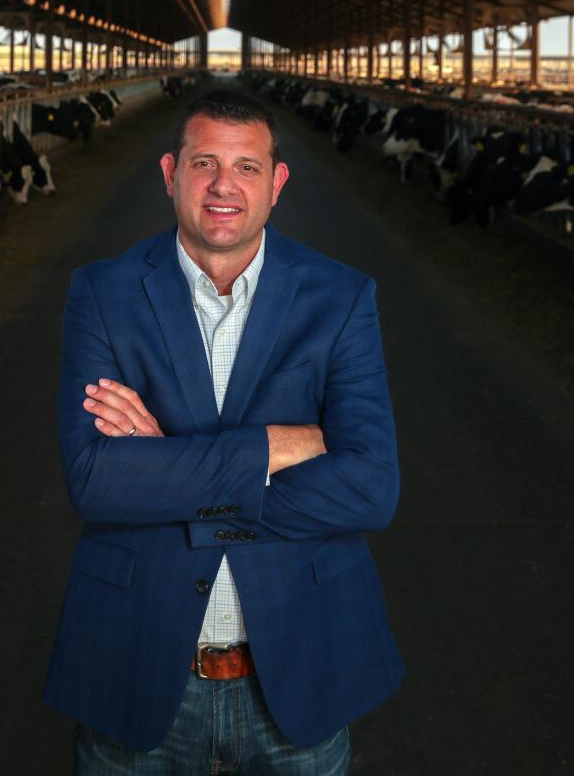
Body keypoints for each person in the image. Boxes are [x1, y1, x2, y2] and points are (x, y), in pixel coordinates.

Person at [44, 90, 403, 774]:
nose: (222, 186)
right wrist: (274, 447)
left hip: (297, 664)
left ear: (277, 183)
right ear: (170, 173)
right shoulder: (103, 292)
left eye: (245, 167)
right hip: (141, 662)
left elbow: (371, 489)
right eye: (204, 162)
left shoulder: (342, 296)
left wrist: (167, 469)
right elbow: (94, 481)